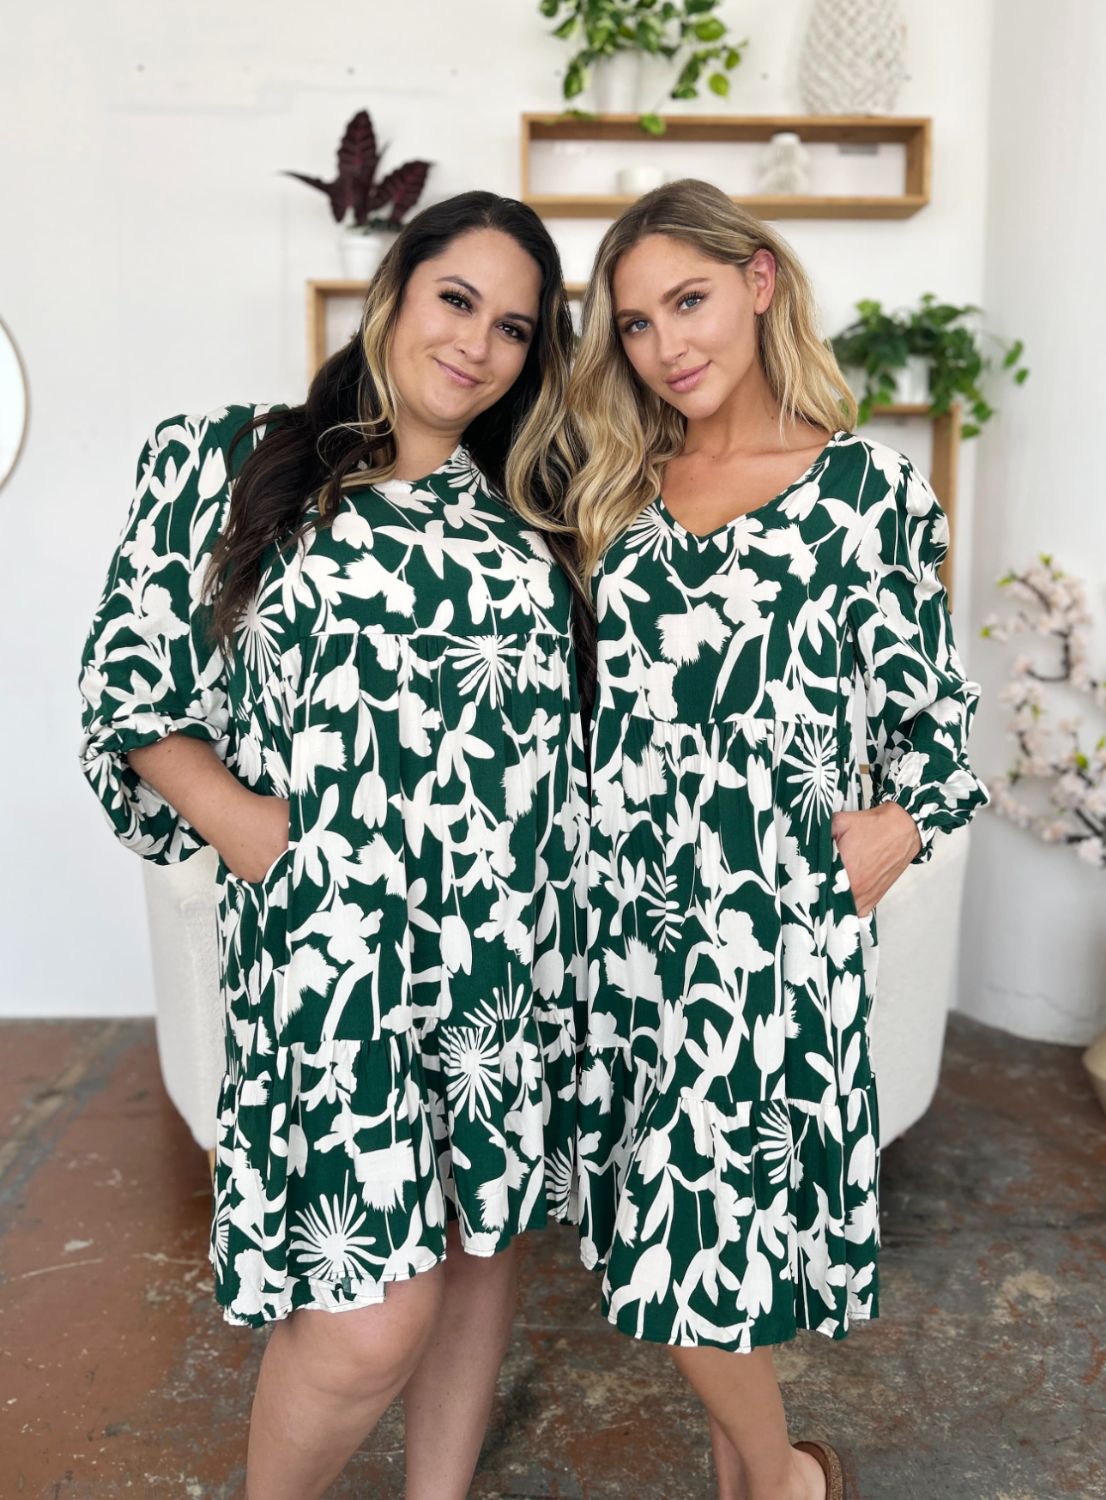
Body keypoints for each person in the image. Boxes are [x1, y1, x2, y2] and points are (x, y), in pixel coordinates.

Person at [78, 191, 591, 1500]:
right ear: (396, 289)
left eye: (514, 328)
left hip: (502, 956)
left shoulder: (534, 529)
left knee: (480, 1246)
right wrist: (255, 834)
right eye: (456, 300)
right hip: (326, 953)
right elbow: (130, 688)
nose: (475, 345)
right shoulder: (229, 455)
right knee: (369, 1315)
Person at [565, 179, 989, 1500]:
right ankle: (752, 1480)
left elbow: (943, 728)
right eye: (632, 325)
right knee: (693, 1240)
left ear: (755, 282)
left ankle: (789, 1479)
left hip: (767, 921)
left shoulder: (866, 491)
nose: (664, 344)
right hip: (616, 921)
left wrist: (902, 826)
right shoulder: (612, 487)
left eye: (685, 300)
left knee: (690, 1248)